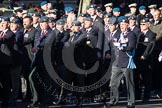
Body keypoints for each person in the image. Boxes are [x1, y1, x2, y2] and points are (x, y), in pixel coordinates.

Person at [108, 16, 136, 108]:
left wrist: (122, 47)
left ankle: (131, 102)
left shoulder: (131, 34)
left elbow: (131, 47)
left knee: (129, 83)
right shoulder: (118, 34)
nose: (122, 26)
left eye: (124, 24)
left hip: (126, 61)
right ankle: (113, 100)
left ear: (127, 25)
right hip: (116, 62)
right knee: (113, 83)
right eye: (121, 24)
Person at [134, 18, 156, 103]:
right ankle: (137, 95)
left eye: (144, 24)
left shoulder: (152, 34)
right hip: (137, 59)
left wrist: (145, 55)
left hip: (146, 60)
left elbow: (150, 46)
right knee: (136, 78)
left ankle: (146, 97)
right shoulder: (138, 34)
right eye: (141, 24)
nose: (142, 26)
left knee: (147, 80)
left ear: (148, 25)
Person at [0, 17, 15, 108]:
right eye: (0, 23)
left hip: (5, 62)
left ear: (8, 24)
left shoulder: (10, 33)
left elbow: (4, 40)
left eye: (3, 23)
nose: (1, 24)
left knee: (5, 82)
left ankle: (6, 100)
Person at [9, 18, 24, 106]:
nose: (12, 25)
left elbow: (15, 41)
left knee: (15, 80)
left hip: (16, 60)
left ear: (18, 25)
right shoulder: (10, 33)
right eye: (11, 23)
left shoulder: (19, 33)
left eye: (14, 24)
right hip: (9, 60)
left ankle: (15, 96)